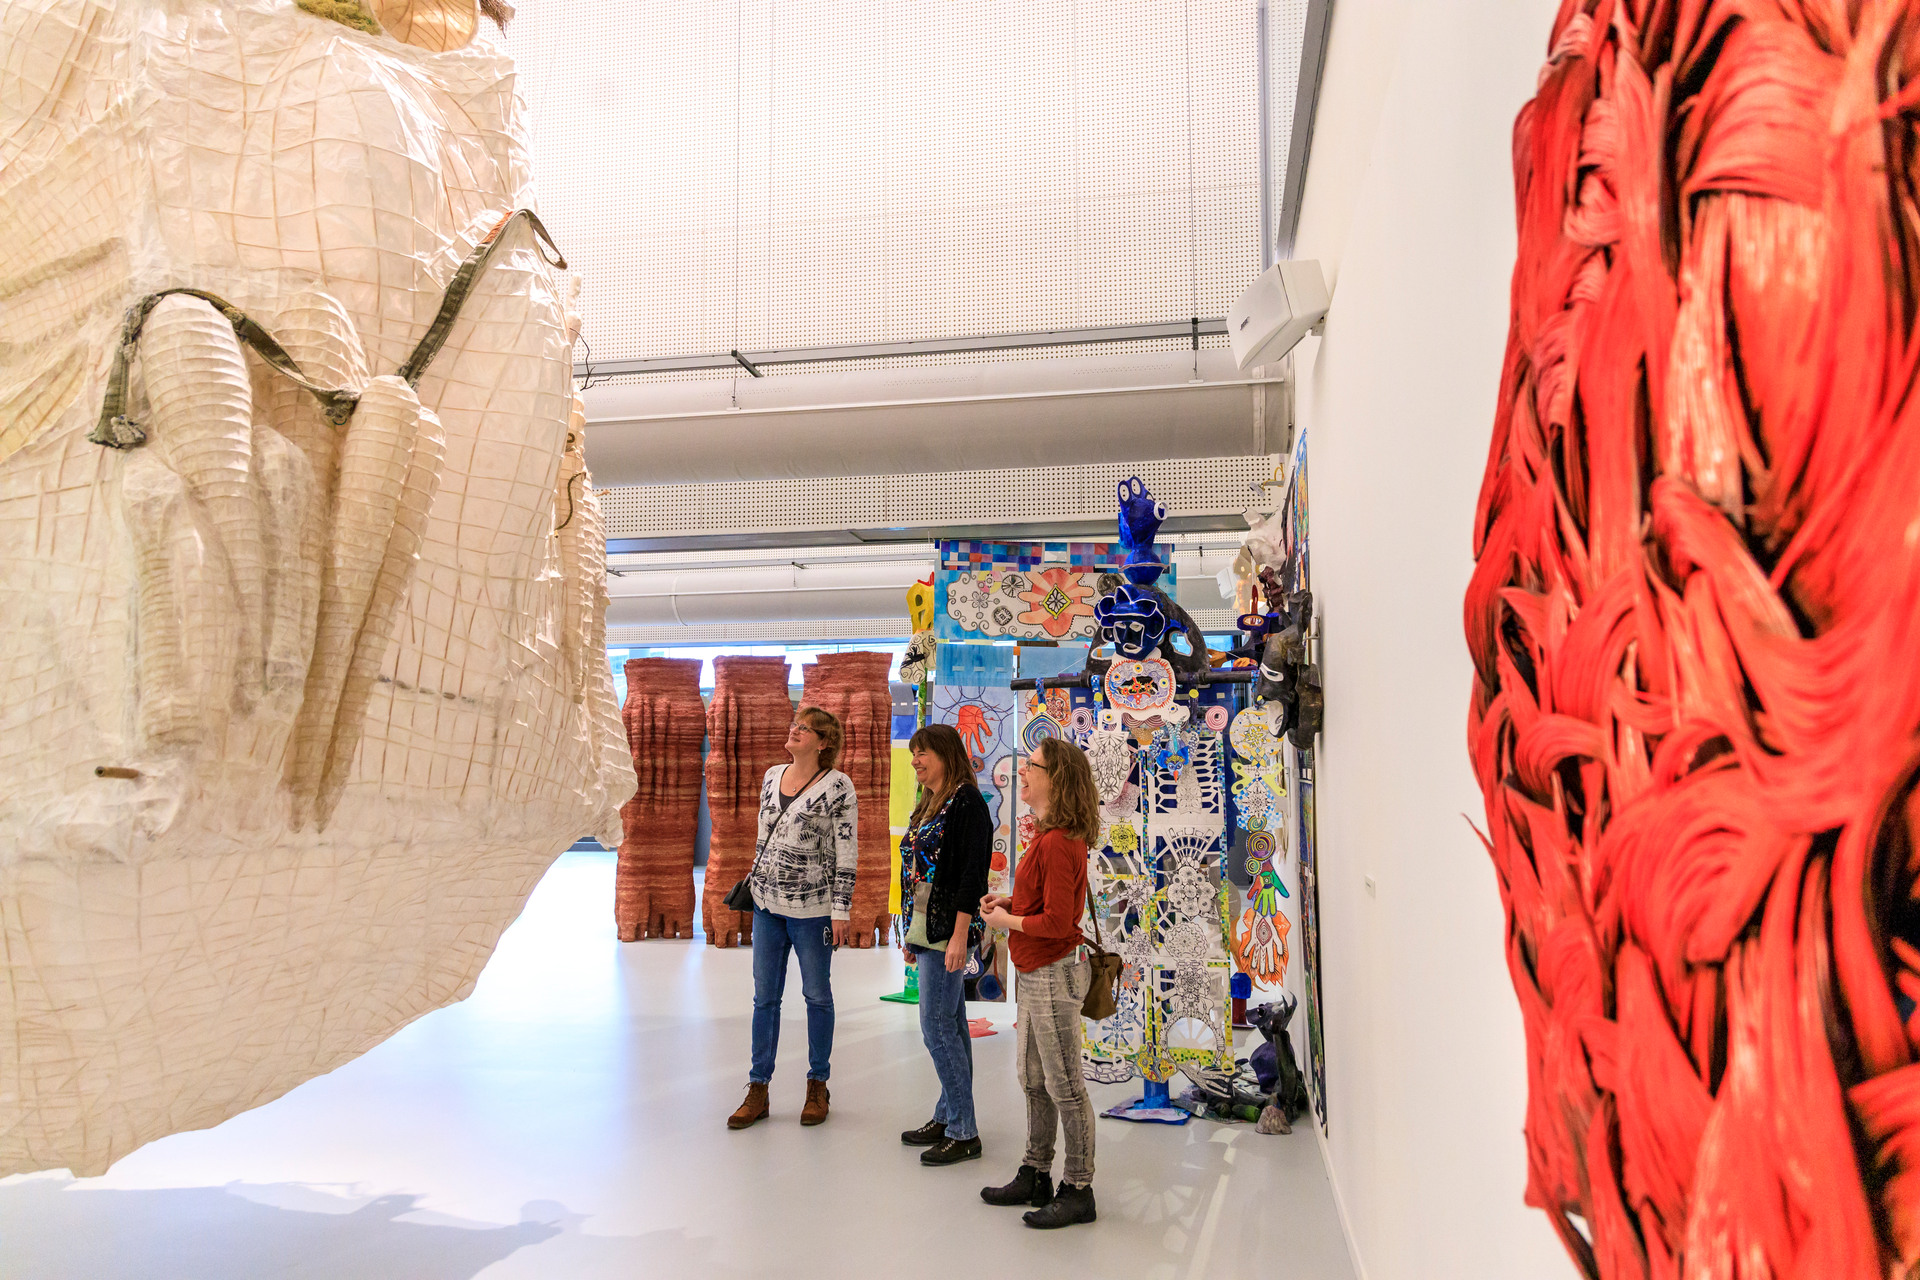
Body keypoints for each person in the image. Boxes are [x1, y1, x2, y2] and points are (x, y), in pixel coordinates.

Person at [978, 736, 1102, 1228]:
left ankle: (1078, 1187)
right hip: (1037, 971)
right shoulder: (1050, 836)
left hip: (1052, 971)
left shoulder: (1056, 841)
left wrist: (1007, 923)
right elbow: (1046, 909)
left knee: (1065, 1085)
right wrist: (1009, 905)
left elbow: (1056, 922)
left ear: (1057, 778)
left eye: (1032, 766)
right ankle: (1035, 1170)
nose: (1023, 772)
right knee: (1034, 1080)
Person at [728, 706, 857, 1130]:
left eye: (806, 728)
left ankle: (818, 1083)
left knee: (817, 997)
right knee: (765, 998)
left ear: (824, 743)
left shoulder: (839, 786)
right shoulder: (771, 775)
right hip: (766, 905)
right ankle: (758, 1087)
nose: (795, 730)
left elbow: (846, 853)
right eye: (794, 725)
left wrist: (841, 909)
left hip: (813, 910)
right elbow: (762, 836)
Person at [896, 723, 993, 1167]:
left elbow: (969, 875)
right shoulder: (930, 802)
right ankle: (948, 1114)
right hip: (926, 926)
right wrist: (912, 935)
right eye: (914, 753)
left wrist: (958, 936)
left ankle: (963, 1130)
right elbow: (917, 871)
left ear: (946, 754)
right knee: (950, 1025)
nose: (916, 760)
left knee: (936, 1028)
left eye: (923, 753)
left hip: (948, 930)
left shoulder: (966, 802)